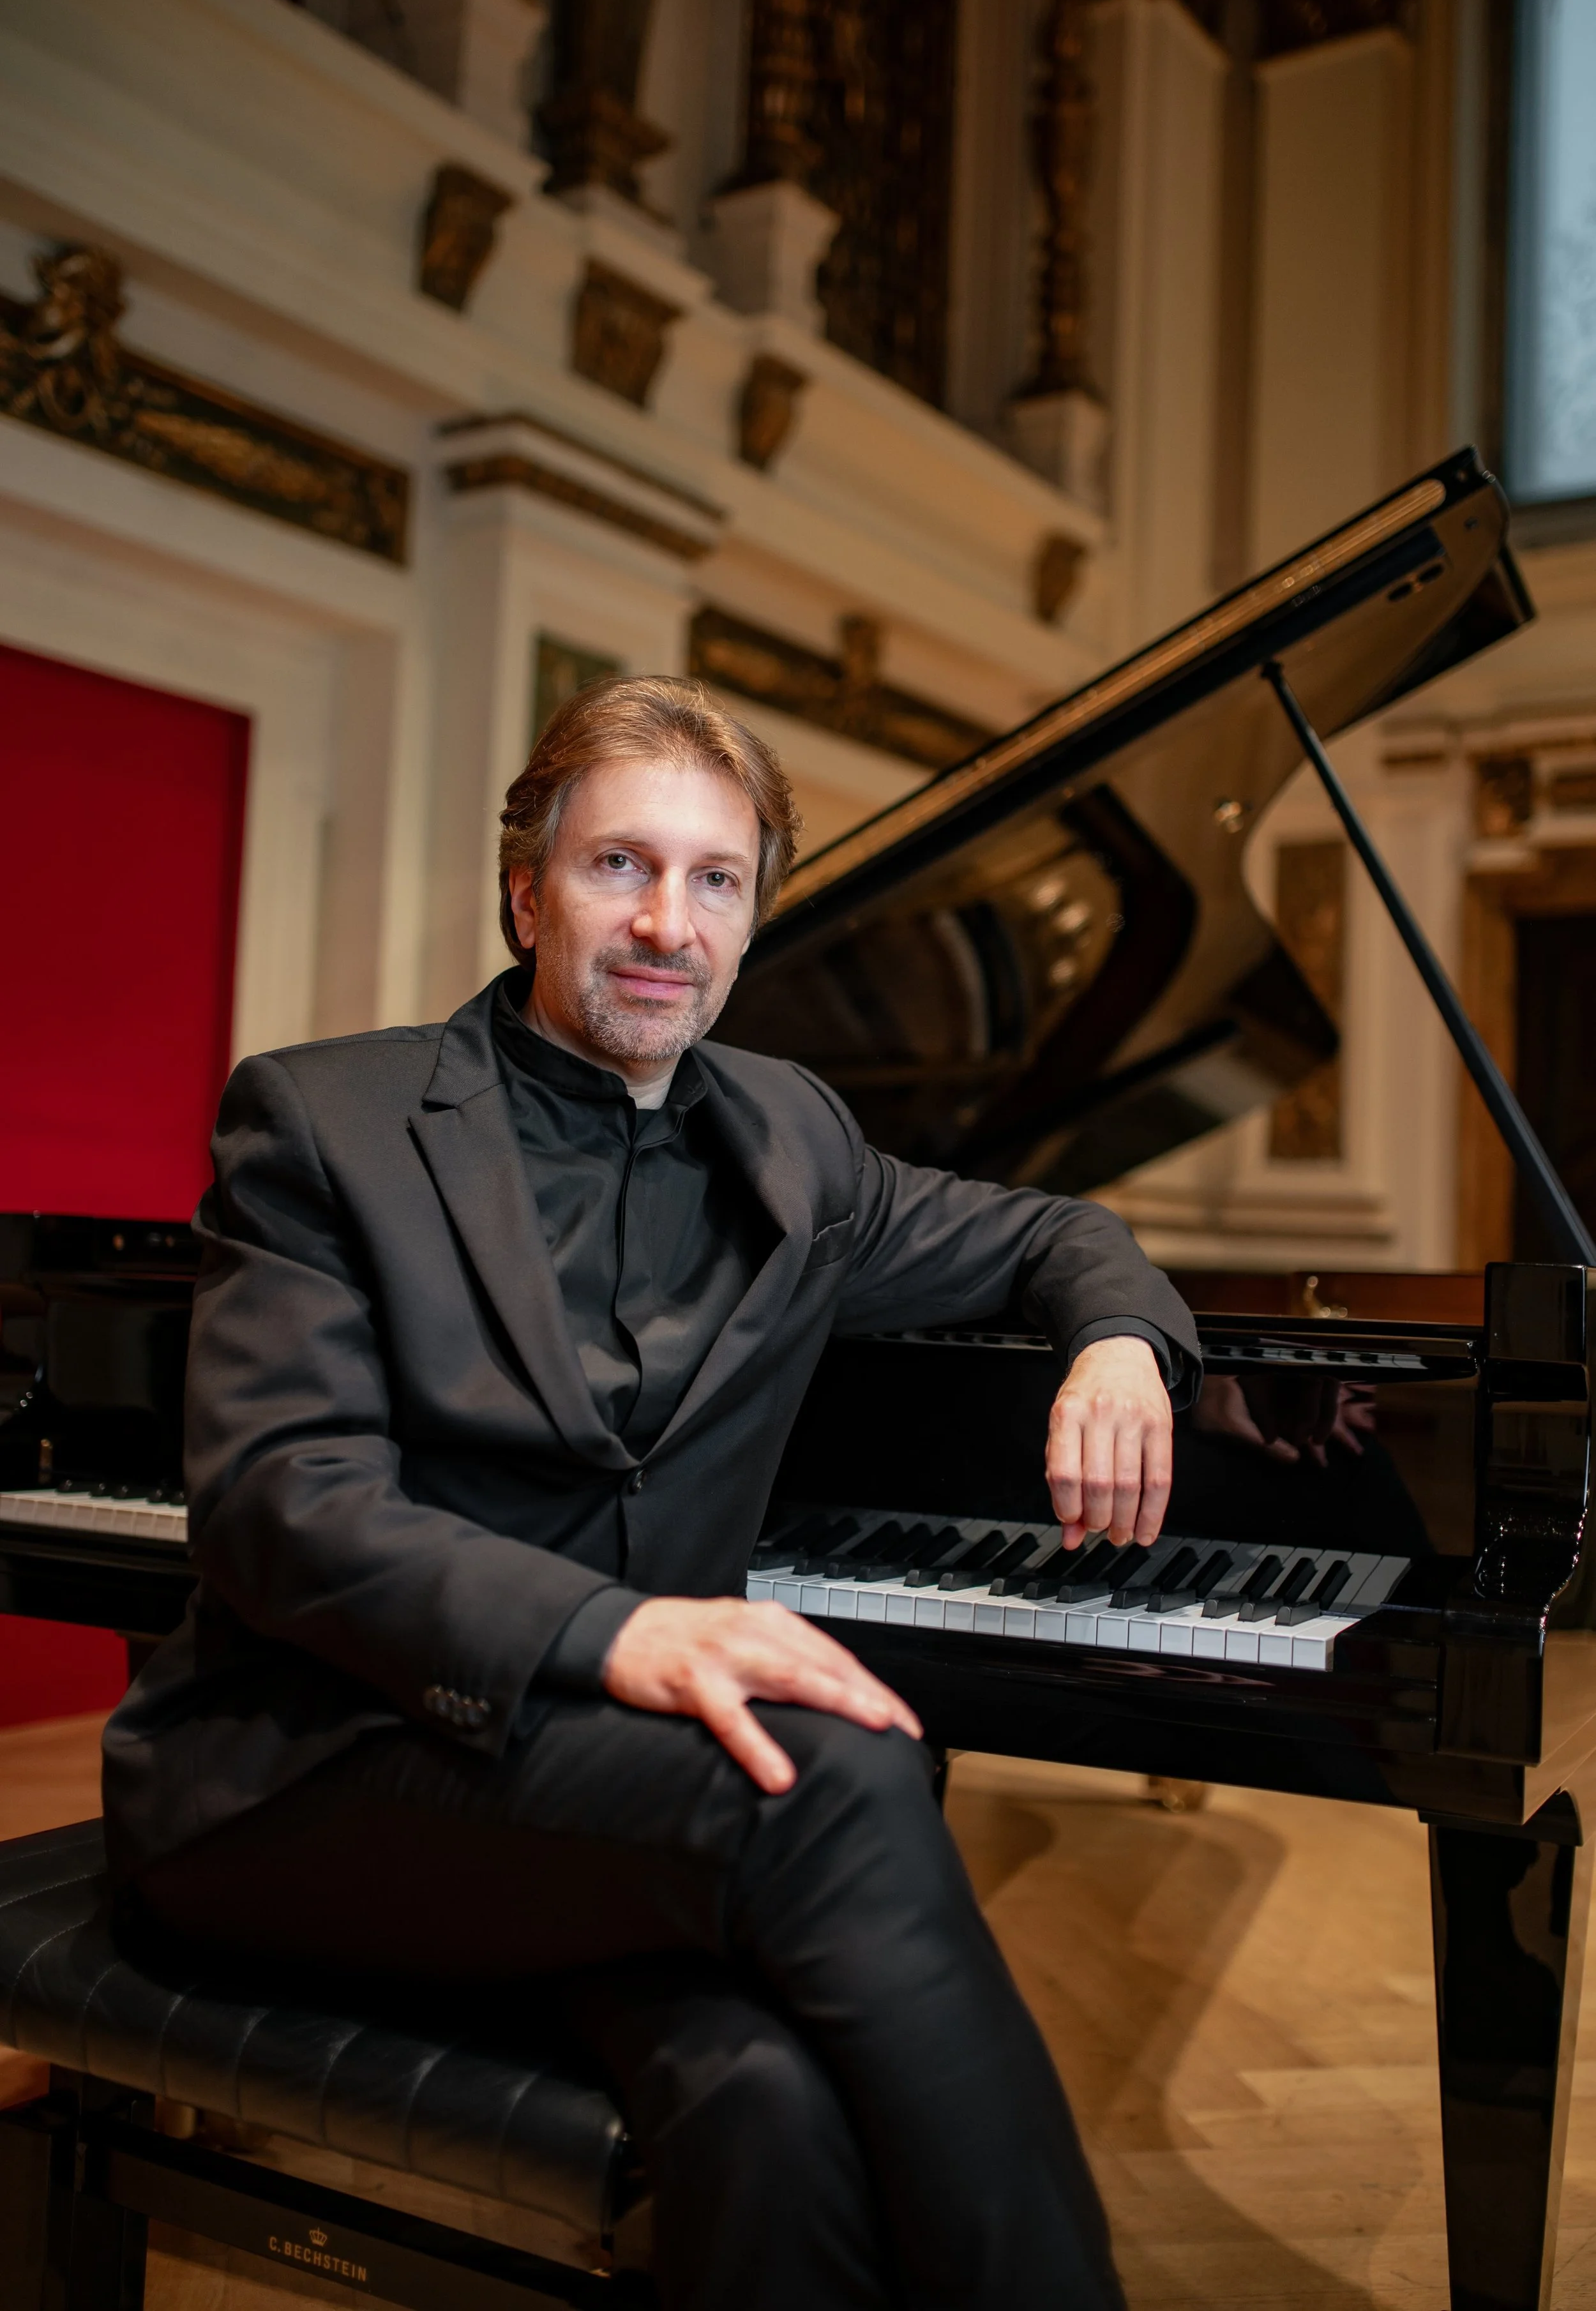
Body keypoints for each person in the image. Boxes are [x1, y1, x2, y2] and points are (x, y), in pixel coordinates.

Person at [103, 675, 1201, 2311]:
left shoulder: (794, 1139)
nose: (665, 926)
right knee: (836, 1776)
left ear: (752, 921)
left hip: (598, 1802)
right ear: (526, 890)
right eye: (619, 865)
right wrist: (618, 1635)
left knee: (765, 2104)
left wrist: (1116, 1345)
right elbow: (283, 1506)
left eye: (715, 881)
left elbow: (1054, 1233)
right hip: (314, 1770)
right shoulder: (328, 1121)